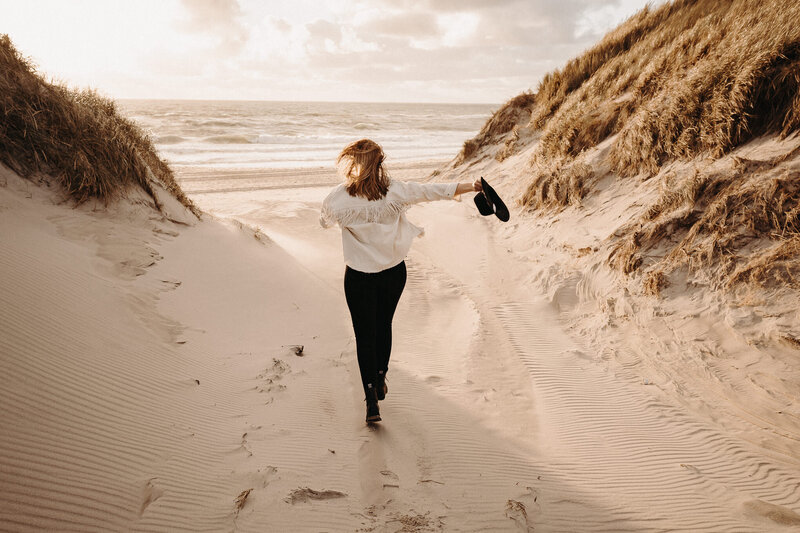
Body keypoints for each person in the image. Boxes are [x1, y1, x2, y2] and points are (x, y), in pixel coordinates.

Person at [320, 138, 481, 423]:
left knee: (364, 336)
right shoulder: (396, 191)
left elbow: (325, 221)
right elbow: (435, 191)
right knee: (383, 326)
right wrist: (473, 185)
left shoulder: (337, 197)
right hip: (393, 274)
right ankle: (381, 377)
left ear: (354, 164)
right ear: (380, 163)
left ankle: (371, 401)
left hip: (357, 277)